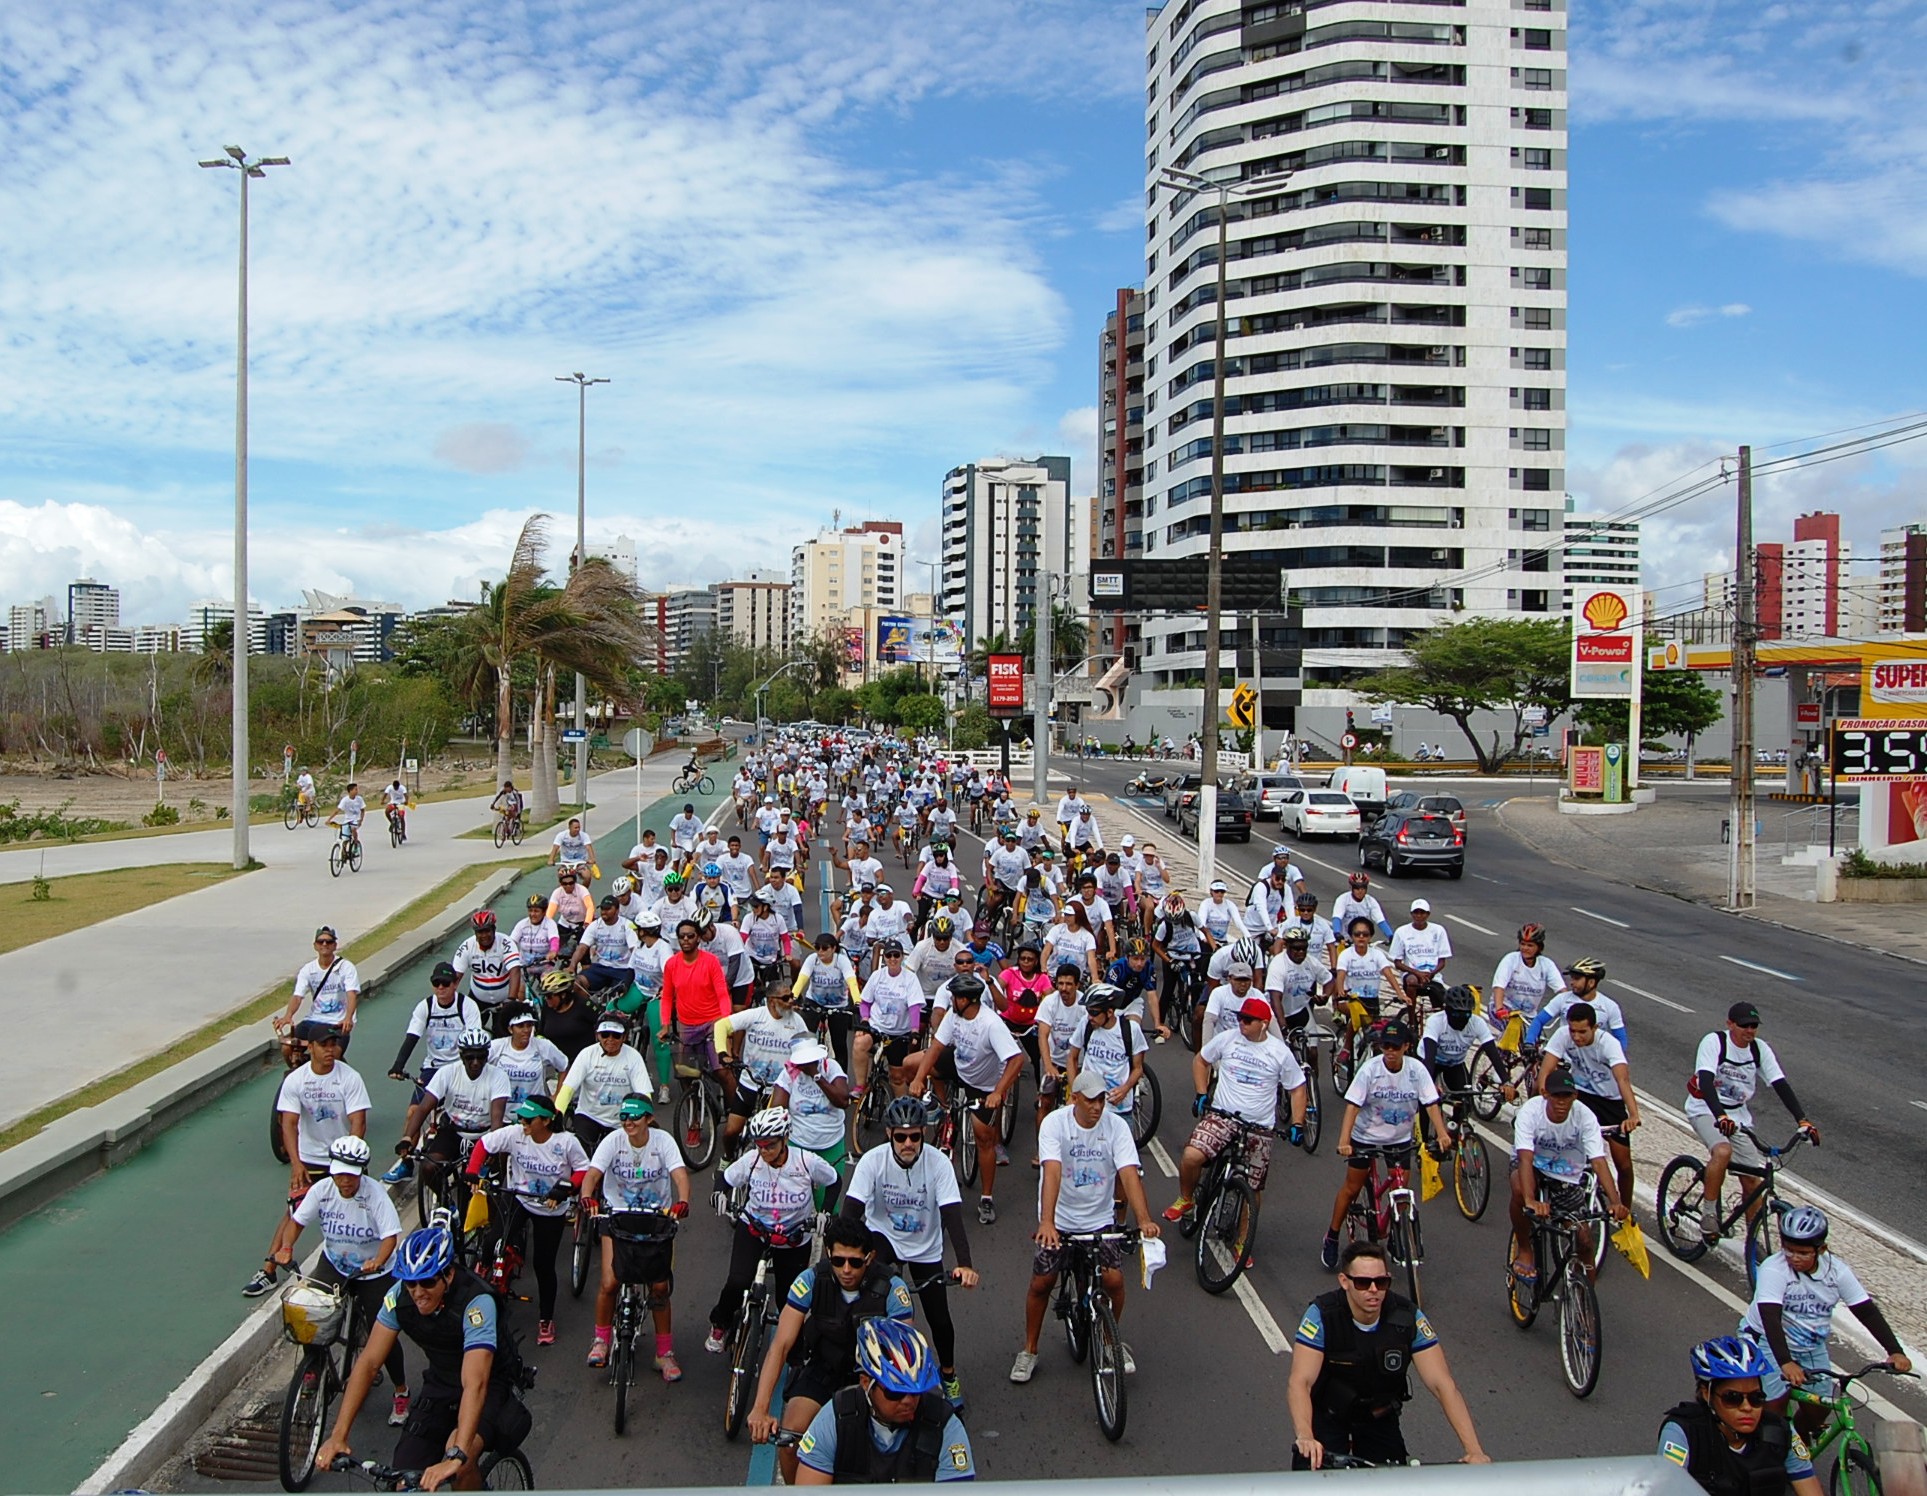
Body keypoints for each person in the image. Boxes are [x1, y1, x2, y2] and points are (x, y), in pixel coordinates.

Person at [316, 1223, 533, 1494]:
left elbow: (475, 1383)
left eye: (428, 1281)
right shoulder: (398, 1298)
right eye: (410, 1283)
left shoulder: (476, 1303)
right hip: (441, 1383)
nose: (418, 1291)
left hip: (489, 1385)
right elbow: (369, 1363)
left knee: (461, 1458)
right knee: (403, 1482)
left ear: (448, 1275)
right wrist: (339, 1435)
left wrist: (457, 1456)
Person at [1009, 1068, 1161, 1384]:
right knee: (1042, 1282)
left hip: (1099, 1218)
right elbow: (1051, 1171)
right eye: (1090, 1100)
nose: (1097, 1107)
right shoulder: (1055, 1124)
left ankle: (1108, 1340)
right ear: (1074, 1098)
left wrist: (1144, 1219)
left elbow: (1129, 1174)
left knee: (1115, 1282)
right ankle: (1029, 1349)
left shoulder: (1116, 1127)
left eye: (1101, 1100)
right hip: (1061, 1219)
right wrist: (1048, 1222)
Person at [247, 1136, 412, 1419]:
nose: (345, 1181)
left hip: (374, 1272)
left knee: (382, 1332)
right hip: (335, 1262)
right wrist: (286, 1248)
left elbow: (389, 1238)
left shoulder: (375, 1196)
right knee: (310, 1312)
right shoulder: (322, 1190)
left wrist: (378, 1261)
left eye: (351, 1175)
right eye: (340, 1174)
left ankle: (401, 1390)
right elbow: (296, 1223)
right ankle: (313, 1369)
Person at [1288, 1240, 1491, 1470]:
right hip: (1329, 1417)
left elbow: (1442, 1385)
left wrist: (1474, 1450)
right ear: (1344, 1282)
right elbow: (1300, 1382)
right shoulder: (1322, 1315)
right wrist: (1305, 1435)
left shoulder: (1407, 1317)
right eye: (1363, 1283)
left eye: (1381, 1282)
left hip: (1378, 1417)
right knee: (1312, 1471)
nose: (1374, 1290)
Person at [747, 1215, 918, 1482]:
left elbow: (904, 1354)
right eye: (838, 1261)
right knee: (791, 1438)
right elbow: (780, 1345)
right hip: (824, 1370)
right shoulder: (812, 1280)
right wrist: (760, 1408)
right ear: (828, 1254)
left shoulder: (892, 1289)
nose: (846, 1269)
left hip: (872, 1379)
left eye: (855, 1262)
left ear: (870, 1258)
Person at [842, 1096, 980, 1404]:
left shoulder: (939, 1164)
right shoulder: (873, 1161)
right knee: (867, 1302)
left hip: (924, 1247)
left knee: (939, 1318)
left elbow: (953, 1218)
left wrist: (965, 1265)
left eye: (915, 1136)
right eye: (901, 1136)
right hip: (884, 1237)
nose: (908, 1143)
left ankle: (948, 1375)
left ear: (923, 1135)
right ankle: (861, 1366)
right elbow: (850, 1212)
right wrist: (837, 1257)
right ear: (889, 1134)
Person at [1738, 1207, 1911, 1434]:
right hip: (1766, 1340)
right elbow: (1770, 1317)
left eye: (1802, 1253)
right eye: (1788, 1250)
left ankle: (1797, 1445)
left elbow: (1866, 1311)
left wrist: (1895, 1350)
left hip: (1809, 1344)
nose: (1793, 1258)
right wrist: (1785, 1362)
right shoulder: (1774, 1268)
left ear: (1821, 1249)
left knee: (1819, 1408)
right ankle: (1773, 1451)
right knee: (1774, 1407)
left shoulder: (1836, 1272)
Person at [706, 1108, 840, 1354]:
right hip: (755, 1227)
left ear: (785, 1139)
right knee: (738, 1280)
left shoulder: (806, 1161)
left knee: (789, 1298)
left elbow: (834, 1181)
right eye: (759, 1145)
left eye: (770, 1145)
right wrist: (719, 1195)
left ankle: (796, 1350)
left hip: (793, 1236)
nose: (764, 1151)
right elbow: (725, 1178)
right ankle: (720, 1323)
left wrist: (826, 1213)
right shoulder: (753, 1160)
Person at [1164, 995, 1307, 1225]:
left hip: (1258, 1126)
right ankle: (1186, 1198)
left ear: (1263, 1023)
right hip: (1223, 1116)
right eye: (1240, 1018)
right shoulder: (1228, 1039)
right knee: (1191, 1156)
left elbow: (1298, 1088)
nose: (1242, 1024)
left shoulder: (1279, 1052)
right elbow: (1201, 1061)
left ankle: (1243, 1240)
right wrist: (1201, 1093)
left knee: (1252, 1188)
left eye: (1248, 1020)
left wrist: (1297, 1123)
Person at [1686, 1002, 1818, 1243]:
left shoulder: (1759, 1050)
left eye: (1754, 1026)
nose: (1750, 1030)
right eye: (1744, 1025)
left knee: (1752, 1180)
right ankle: (1708, 1214)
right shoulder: (1714, 1042)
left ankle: (1753, 1242)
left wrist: (1803, 1120)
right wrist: (1721, 1116)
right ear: (1730, 1024)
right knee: (1723, 1151)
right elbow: (1705, 1080)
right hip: (1706, 1108)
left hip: (1738, 1115)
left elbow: (1780, 1084)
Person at [1322, 1019, 1448, 1271]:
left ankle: (1395, 1234)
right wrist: (1344, 1140)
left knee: (1400, 1187)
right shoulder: (1370, 1070)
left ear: (1407, 1047)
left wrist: (1442, 1134)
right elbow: (1353, 1107)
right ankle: (1332, 1236)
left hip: (1399, 1139)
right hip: (1365, 1138)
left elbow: (1431, 1104)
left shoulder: (1417, 1070)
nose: (1389, 1052)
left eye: (1395, 1046)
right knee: (1351, 1188)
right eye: (1385, 1046)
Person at [581, 1092, 691, 1379]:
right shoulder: (613, 1142)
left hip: (656, 1219)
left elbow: (679, 1174)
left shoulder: (663, 1142)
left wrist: (683, 1201)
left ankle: (664, 1353)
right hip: (618, 1216)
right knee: (609, 1282)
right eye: (624, 1117)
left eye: (635, 1117)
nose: (629, 1122)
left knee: (659, 1288)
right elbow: (593, 1174)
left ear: (649, 1119)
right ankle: (600, 1340)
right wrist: (587, 1197)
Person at [468, 1094, 590, 1347]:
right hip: (518, 1197)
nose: (522, 1122)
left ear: (545, 1121)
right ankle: (487, 1270)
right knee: (493, 1240)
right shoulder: (514, 1134)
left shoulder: (566, 1142)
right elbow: (484, 1146)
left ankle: (546, 1320)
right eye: (521, 1118)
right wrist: (472, 1172)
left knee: (543, 1267)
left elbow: (583, 1170)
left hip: (550, 1207)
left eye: (528, 1119)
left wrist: (566, 1189)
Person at [793, 1319, 974, 1484]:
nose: (908, 1401)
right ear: (866, 1383)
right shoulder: (836, 1419)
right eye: (895, 1392)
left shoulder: (945, 1426)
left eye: (916, 1392)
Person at [909, 973, 1024, 1225]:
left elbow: (1017, 1060)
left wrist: (998, 1092)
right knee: (910, 1064)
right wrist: (919, 1078)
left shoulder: (991, 1024)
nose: (951, 1000)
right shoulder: (954, 1015)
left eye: (955, 997)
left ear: (968, 1000)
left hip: (983, 1085)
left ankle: (986, 1198)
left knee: (984, 1138)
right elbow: (937, 1048)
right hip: (959, 1066)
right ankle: (942, 1105)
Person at [1507, 1066, 1629, 1284]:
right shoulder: (1530, 1112)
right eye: (1556, 1096)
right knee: (1519, 1188)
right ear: (1545, 1094)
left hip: (1565, 1175)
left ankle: (1586, 1297)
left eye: (1567, 1096)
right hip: (1532, 1165)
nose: (1561, 1102)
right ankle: (1525, 1249)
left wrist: (1615, 1201)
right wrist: (1530, 1200)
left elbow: (1599, 1162)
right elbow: (1525, 1159)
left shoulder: (1585, 1117)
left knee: (1584, 1240)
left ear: (1575, 1096)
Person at [1659, 1337, 1822, 1496]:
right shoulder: (1682, 1432)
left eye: (1756, 1398)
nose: (1746, 1407)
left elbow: (1808, 1486)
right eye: (1733, 1398)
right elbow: (1669, 1488)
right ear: (1707, 1393)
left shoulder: (1780, 1431)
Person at [1539, 1002, 1641, 1212]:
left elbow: (1623, 1079)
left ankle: (1625, 1210)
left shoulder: (1608, 1044)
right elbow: (1546, 1069)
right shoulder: (1563, 1035)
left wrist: (1633, 1114)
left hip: (1609, 1102)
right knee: (1575, 1149)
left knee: (1623, 1163)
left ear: (1595, 1028)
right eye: (1573, 1031)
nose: (1576, 1037)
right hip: (1581, 1096)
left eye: (1582, 1032)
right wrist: (1543, 1094)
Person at [391, 1028, 512, 1193]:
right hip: (453, 1130)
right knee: (428, 1168)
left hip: (484, 1134)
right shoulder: (447, 1073)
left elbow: (497, 1117)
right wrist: (407, 1137)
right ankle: (445, 1201)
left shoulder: (499, 1077)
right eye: (470, 1057)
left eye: (481, 1056)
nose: (476, 1062)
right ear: (461, 1056)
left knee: (493, 1177)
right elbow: (424, 1107)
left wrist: (493, 1146)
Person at [274, 1024, 370, 1207]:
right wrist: (296, 1164)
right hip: (310, 1160)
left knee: (359, 1212)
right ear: (310, 1048)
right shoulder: (295, 1080)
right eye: (323, 1045)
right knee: (294, 1215)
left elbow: (359, 1122)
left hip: (343, 1159)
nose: (330, 1050)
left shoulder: (351, 1078)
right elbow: (289, 1124)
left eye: (333, 1044)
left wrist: (347, 1161)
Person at [556, 1016, 653, 1157]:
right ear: (597, 1036)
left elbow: (644, 1093)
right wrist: (558, 1114)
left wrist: (645, 1118)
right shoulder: (586, 1054)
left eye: (616, 1035)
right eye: (605, 1035)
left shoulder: (633, 1057)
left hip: (622, 1119)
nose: (610, 1039)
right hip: (589, 1115)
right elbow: (568, 1088)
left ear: (624, 1037)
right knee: (580, 1154)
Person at [773, 1039, 853, 1182]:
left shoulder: (831, 1067)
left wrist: (816, 1075)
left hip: (831, 1144)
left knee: (827, 1200)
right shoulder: (789, 1074)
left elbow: (843, 1101)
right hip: (798, 1146)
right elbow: (777, 1109)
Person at [278, 926, 362, 1048]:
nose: (324, 944)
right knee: (287, 1047)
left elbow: (352, 995)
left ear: (334, 945)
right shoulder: (308, 969)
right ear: (315, 945)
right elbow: (297, 996)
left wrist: (348, 1018)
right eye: (320, 941)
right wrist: (288, 1016)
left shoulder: (346, 967)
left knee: (333, 1053)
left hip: (337, 1023)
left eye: (329, 942)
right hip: (313, 1020)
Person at [452, 910, 525, 1035]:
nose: (484, 935)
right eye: (480, 932)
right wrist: (449, 1001)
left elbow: (515, 971)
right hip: (477, 998)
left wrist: (511, 999)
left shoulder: (506, 943)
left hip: (504, 999)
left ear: (494, 929)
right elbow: (455, 977)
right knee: (469, 1034)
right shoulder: (466, 946)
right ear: (475, 933)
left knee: (503, 1035)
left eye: (487, 931)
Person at [488, 1006, 570, 1109]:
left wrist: (557, 1096)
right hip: (503, 1112)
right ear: (510, 1029)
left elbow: (565, 1066)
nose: (526, 1030)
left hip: (534, 1113)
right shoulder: (497, 1046)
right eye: (520, 1026)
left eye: (529, 1025)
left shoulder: (543, 1046)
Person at [1490, 923, 1564, 1031]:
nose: (1525, 948)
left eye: (1530, 945)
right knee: (1514, 1034)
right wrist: (1499, 1009)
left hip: (1528, 1016)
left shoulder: (1546, 965)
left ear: (1539, 947)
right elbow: (1499, 987)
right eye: (1523, 944)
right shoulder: (1511, 959)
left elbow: (1562, 990)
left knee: (1535, 1044)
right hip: (1505, 1010)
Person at [1388, 899, 1451, 985]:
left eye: (1422, 913)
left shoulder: (1439, 930)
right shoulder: (1401, 932)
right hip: (1411, 973)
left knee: (1441, 995)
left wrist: (1431, 974)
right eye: (1416, 913)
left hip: (1433, 975)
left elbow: (1442, 961)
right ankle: (1411, 999)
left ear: (1428, 914)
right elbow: (1397, 963)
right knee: (1412, 982)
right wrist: (1417, 973)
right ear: (1411, 914)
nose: (1419, 916)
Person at [507, 895, 560, 980]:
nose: (532, 914)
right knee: (518, 986)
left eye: (536, 911)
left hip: (545, 964)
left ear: (544, 912)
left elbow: (554, 939)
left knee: (550, 985)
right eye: (530, 910)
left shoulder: (550, 924)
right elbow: (511, 942)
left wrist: (553, 951)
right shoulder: (522, 924)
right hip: (524, 965)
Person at [1331, 872, 1392, 943]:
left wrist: (1390, 935)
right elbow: (1337, 917)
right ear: (1351, 888)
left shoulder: (1371, 901)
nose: (1360, 891)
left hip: (1363, 939)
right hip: (1345, 940)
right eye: (1357, 888)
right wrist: (1337, 933)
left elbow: (1380, 920)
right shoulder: (1342, 899)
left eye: (1363, 888)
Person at [549, 816, 595, 887]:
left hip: (580, 862)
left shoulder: (583, 836)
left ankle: (582, 892)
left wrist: (592, 859)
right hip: (566, 862)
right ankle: (561, 894)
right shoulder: (562, 835)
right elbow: (556, 847)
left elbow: (588, 847)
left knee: (587, 876)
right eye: (575, 828)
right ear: (570, 828)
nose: (578, 829)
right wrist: (551, 859)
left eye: (579, 827)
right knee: (562, 878)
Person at [384, 778, 410, 842]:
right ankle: (392, 823)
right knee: (387, 811)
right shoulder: (390, 787)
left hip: (401, 803)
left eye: (397, 788)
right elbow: (385, 794)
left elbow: (406, 796)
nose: (396, 789)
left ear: (399, 786)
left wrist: (406, 801)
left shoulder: (402, 788)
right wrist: (382, 801)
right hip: (393, 802)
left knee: (401, 817)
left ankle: (403, 833)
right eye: (395, 787)